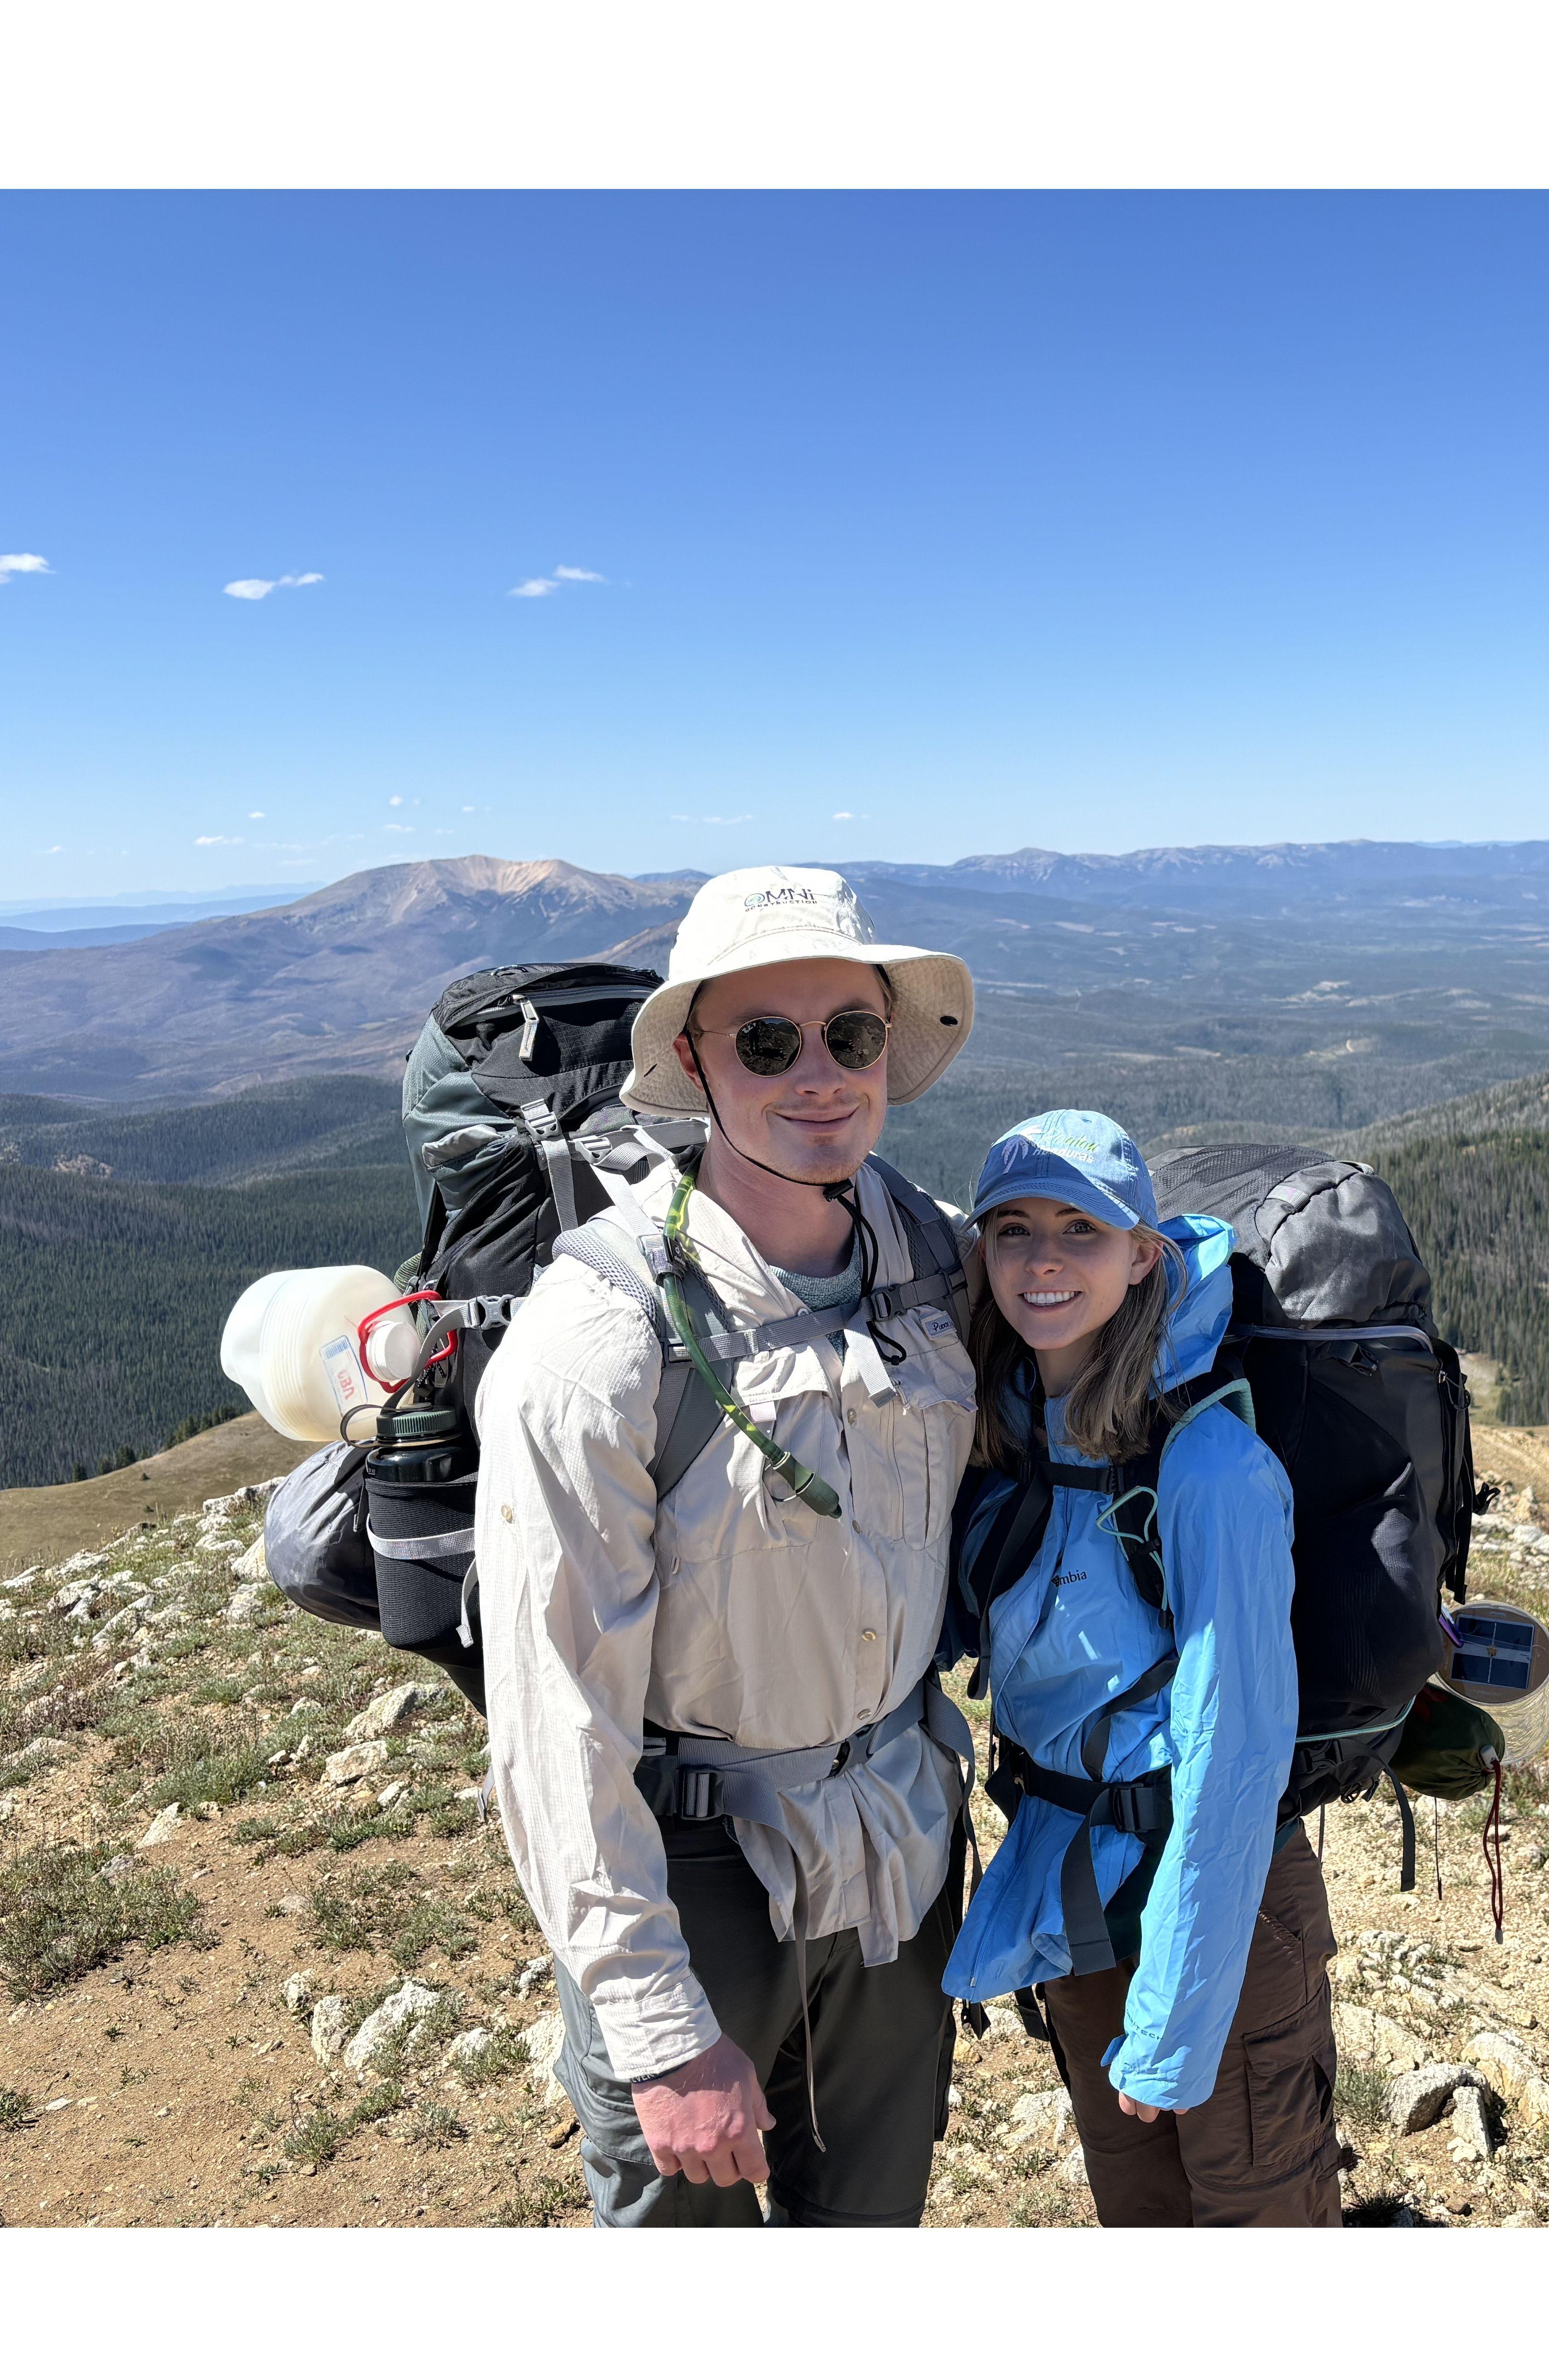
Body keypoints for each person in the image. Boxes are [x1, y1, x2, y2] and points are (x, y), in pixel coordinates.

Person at [474, 866, 982, 2227]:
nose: (818, 1075)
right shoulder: (599, 1343)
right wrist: (654, 2028)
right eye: (767, 1041)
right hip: (700, 1880)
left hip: (897, 1850)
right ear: (694, 1061)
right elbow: (551, 1713)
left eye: (852, 1034)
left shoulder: (927, 1254)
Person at [942, 1110, 1341, 2227]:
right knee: (1139, 2212)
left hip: (1217, 1906)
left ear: (1144, 1254)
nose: (1045, 1259)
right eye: (1014, 1229)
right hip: (1074, 1885)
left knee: (1257, 2213)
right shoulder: (1009, 1425)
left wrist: (1171, 2015)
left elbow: (1235, 1753)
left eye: (1083, 1227)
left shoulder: (1207, 1463)